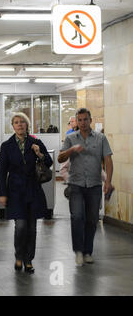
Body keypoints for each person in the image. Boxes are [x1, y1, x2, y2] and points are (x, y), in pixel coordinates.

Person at [0, 112, 53, 274]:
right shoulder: (6, 146)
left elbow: (48, 162)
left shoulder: (36, 142)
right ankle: (19, 257)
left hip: (33, 189)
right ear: (12, 126)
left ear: (27, 125)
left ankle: (28, 260)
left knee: (32, 227)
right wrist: (2, 192)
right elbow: (2, 172)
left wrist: (39, 153)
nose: (19, 125)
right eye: (16, 122)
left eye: (22, 122)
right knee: (20, 226)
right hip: (15, 190)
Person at [58, 108, 114, 266]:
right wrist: (72, 150)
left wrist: (108, 181)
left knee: (92, 219)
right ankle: (78, 251)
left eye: (85, 119)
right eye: (80, 120)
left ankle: (88, 251)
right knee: (76, 217)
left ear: (90, 120)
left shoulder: (101, 138)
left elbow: (108, 160)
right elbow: (60, 158)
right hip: (76, 184)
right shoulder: (70, 138)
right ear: (77, 121)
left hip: (95, 185)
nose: (82, 123)